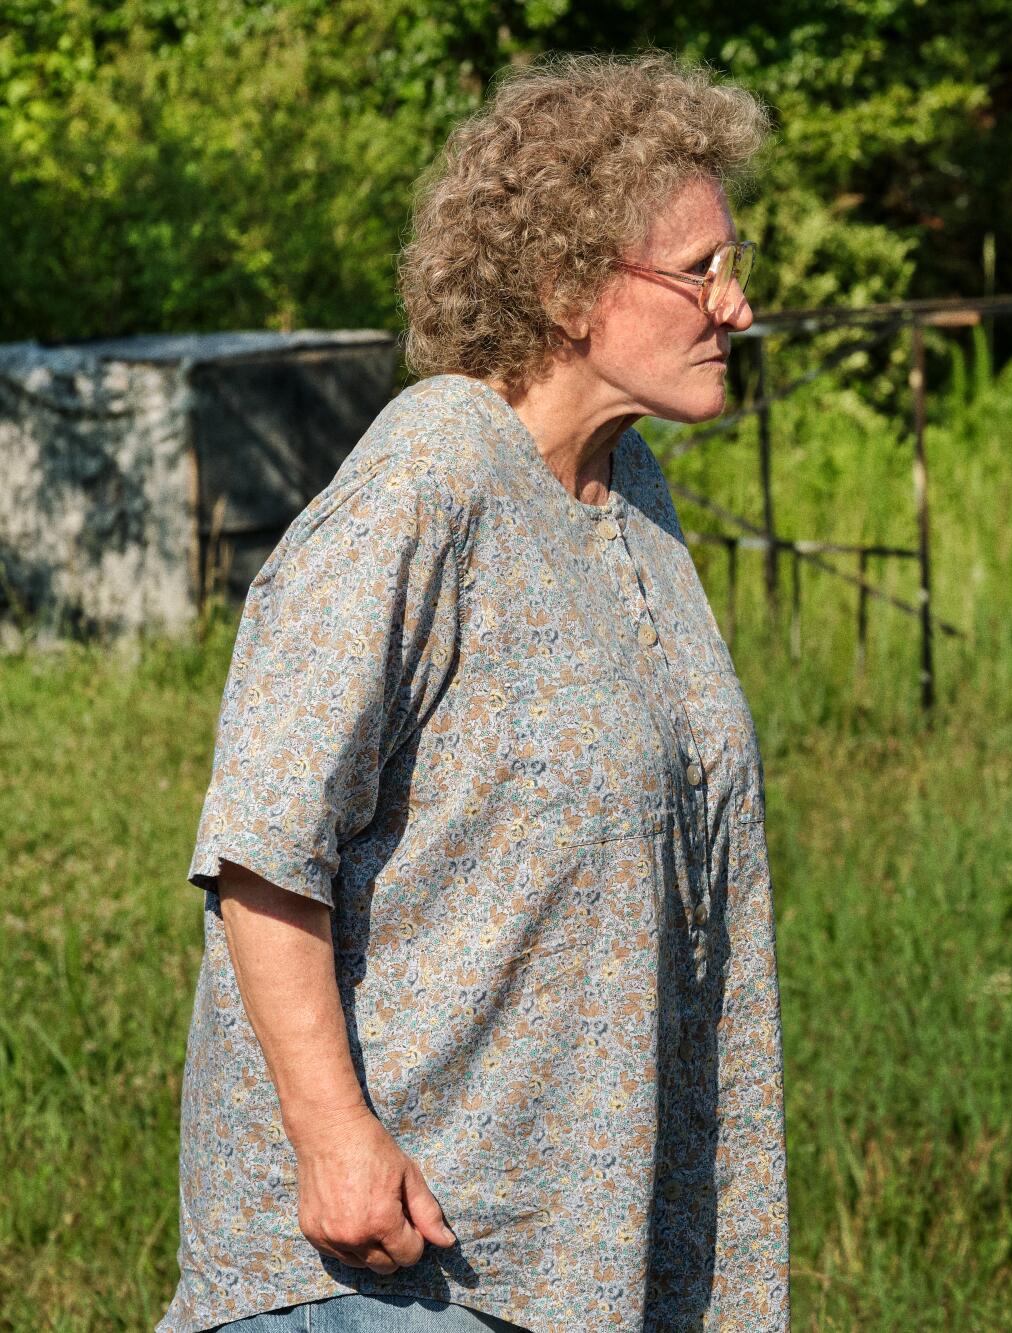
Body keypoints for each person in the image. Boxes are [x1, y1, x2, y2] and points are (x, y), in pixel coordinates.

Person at [161, 54, 788, 1332]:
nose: (738, 304)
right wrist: (334, 1136)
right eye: (702, 270)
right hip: (400, 1264)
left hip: (576, 1257)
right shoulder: (429, 475)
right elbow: (264, 838)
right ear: (567, 286)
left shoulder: (634, 495)